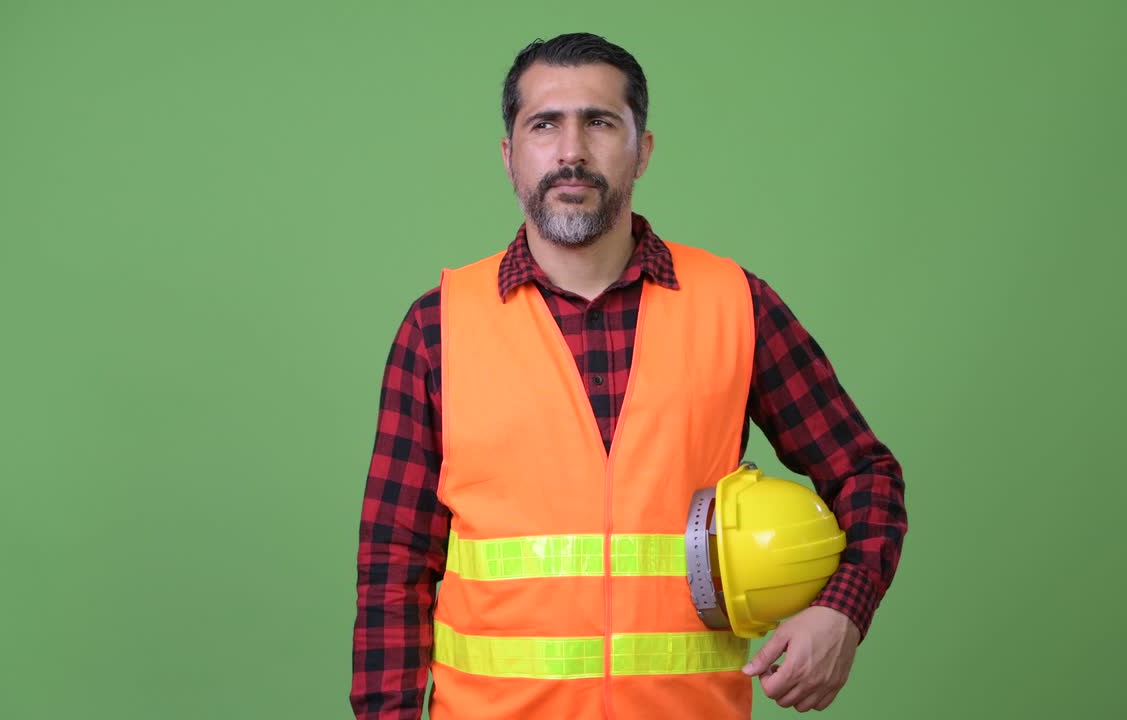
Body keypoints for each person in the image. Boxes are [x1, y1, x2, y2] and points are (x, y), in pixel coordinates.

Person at [351, 32, 907, 719]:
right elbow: (392, 570)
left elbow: (867, 475)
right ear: (509, 155)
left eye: (600, 122)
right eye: (544, 124)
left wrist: (841, 615)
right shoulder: (438, 327)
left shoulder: (735, 305)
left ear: (641, 150)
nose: (572, 150)